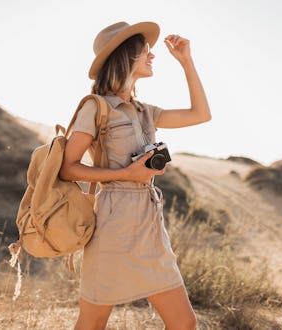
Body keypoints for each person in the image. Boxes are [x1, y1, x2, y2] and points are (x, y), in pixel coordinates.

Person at [59, 21, 211, 330]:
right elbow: (67, 167)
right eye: (146, 52)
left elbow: (201, 114)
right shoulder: (97, 107)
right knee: (92, 322)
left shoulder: (146, 111)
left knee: (184, 323)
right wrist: (126, 172)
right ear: (126, 56)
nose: (152, 56)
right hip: (112, 222)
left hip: (150, 222)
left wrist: (186, 61)